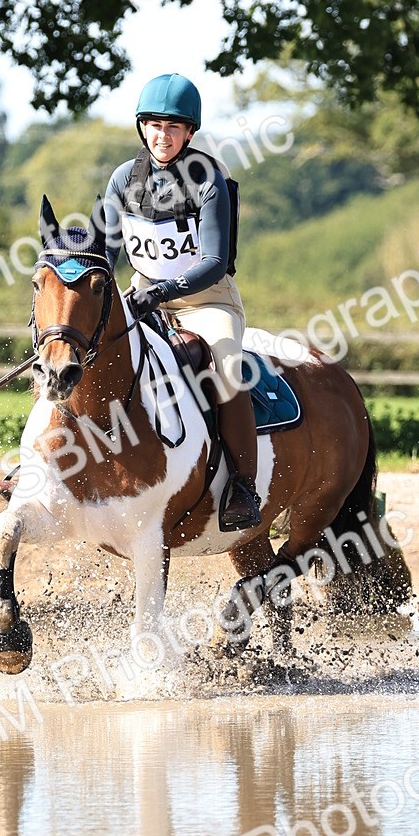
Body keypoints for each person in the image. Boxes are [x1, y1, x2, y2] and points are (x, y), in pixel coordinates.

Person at [103, 72, 262, 531]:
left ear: (190, 132)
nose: (162, 136)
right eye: (153, 125)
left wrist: (163, 292)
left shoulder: (209, 177)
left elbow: (214, 260)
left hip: (206, 301)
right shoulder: (123, 179)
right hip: (143, 296)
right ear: (141, 128)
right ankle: (51, 466)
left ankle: (243, 488)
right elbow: (108, 253)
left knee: (230, 367)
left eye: (173, 127)